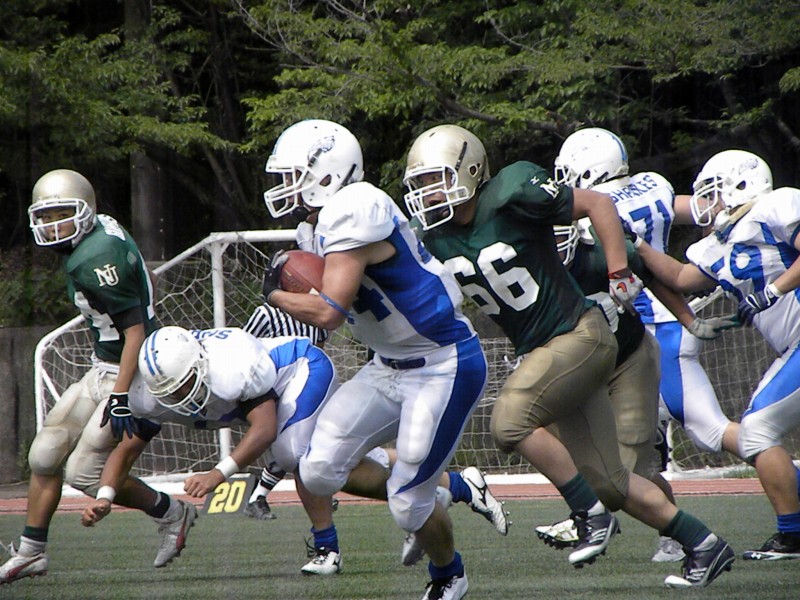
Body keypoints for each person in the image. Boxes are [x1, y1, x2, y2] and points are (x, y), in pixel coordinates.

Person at [402, 124, 735, 588]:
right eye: (419, 183)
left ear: (470, 171)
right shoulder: (431, 235)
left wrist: (617, 271)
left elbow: (598, 203)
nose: (427, 192)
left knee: (508, 422)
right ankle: (704, 544)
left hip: (581, 334)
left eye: (435, 179)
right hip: (547, 350)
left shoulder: (512, 189)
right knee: (610, 483)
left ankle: (587, 514)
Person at [261, 118, 498, 600]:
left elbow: (329, 312)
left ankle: (449, 574)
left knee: (406, 504)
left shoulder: (355, 206)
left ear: (327, 172)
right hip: (387, 365)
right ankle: (438, 490)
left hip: (443, 364)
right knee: (317, 469)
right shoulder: (317, 225)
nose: (285, 186)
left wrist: (275, 294)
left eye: (293, 175)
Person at [552, 127, 743, 562]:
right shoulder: (650, 186)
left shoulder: (594, 210)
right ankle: (636, 520)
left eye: (568, 172)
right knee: (622, 444)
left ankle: (772, 465)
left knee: (708, 429)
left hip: (651, 327)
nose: (563, 182)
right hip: (655, 326)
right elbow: (697, 209)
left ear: (589, 169)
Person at [0, 170, 196, 585]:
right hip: (104, 365)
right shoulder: (101, 231)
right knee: (45, 455)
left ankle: (172, 513)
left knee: (84, 474)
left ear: (85, 212)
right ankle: (31, 552)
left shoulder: (95, 257)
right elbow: (146, 283)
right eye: (46, 217)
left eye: (62, 216)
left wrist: (121, 396)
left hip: (131, 372)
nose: (54, 226)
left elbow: (135, 331)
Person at [633, 149, 800, 561]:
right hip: (793, 347)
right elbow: (679, 277)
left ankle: (793, 535)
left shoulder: (776, 205)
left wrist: (774, 289)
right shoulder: (718, 243)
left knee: (757, 428)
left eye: (713, 192)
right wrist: (633, 244)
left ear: (741, 185)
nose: (707, 204)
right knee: (756, 428)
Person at [536, 220, 734, 559]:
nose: (554, 247)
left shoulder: (601, 252)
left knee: (625, 476)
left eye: (559, 236)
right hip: (581, 368)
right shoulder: (526, 265)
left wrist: (690, 321)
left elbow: (653, 277)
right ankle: (591, 512)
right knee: (547, 434)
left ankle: (672, 536)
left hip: (628, 360)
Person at [80, 324, 347, 574]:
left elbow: (264, 429)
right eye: (171, 391)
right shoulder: (149, 395)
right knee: (312, 455)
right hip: (271, 393)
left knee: (291, 453)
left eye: (185, 383)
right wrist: (105, 496)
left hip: (300, 369)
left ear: (199, 363)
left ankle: (328, 549)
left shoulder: (232, 367)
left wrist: (217, 474)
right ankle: (370, 464)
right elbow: (125, 452)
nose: (181, 395)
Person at [240, 301, 330, 520]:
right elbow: (242, 347)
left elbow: (319, 347)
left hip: (305, 382)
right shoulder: (266, 313)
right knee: (291, 446)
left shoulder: (317, 309)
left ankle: (259, 497)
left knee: (309, 443)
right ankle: (258, 497)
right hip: (273, 385)